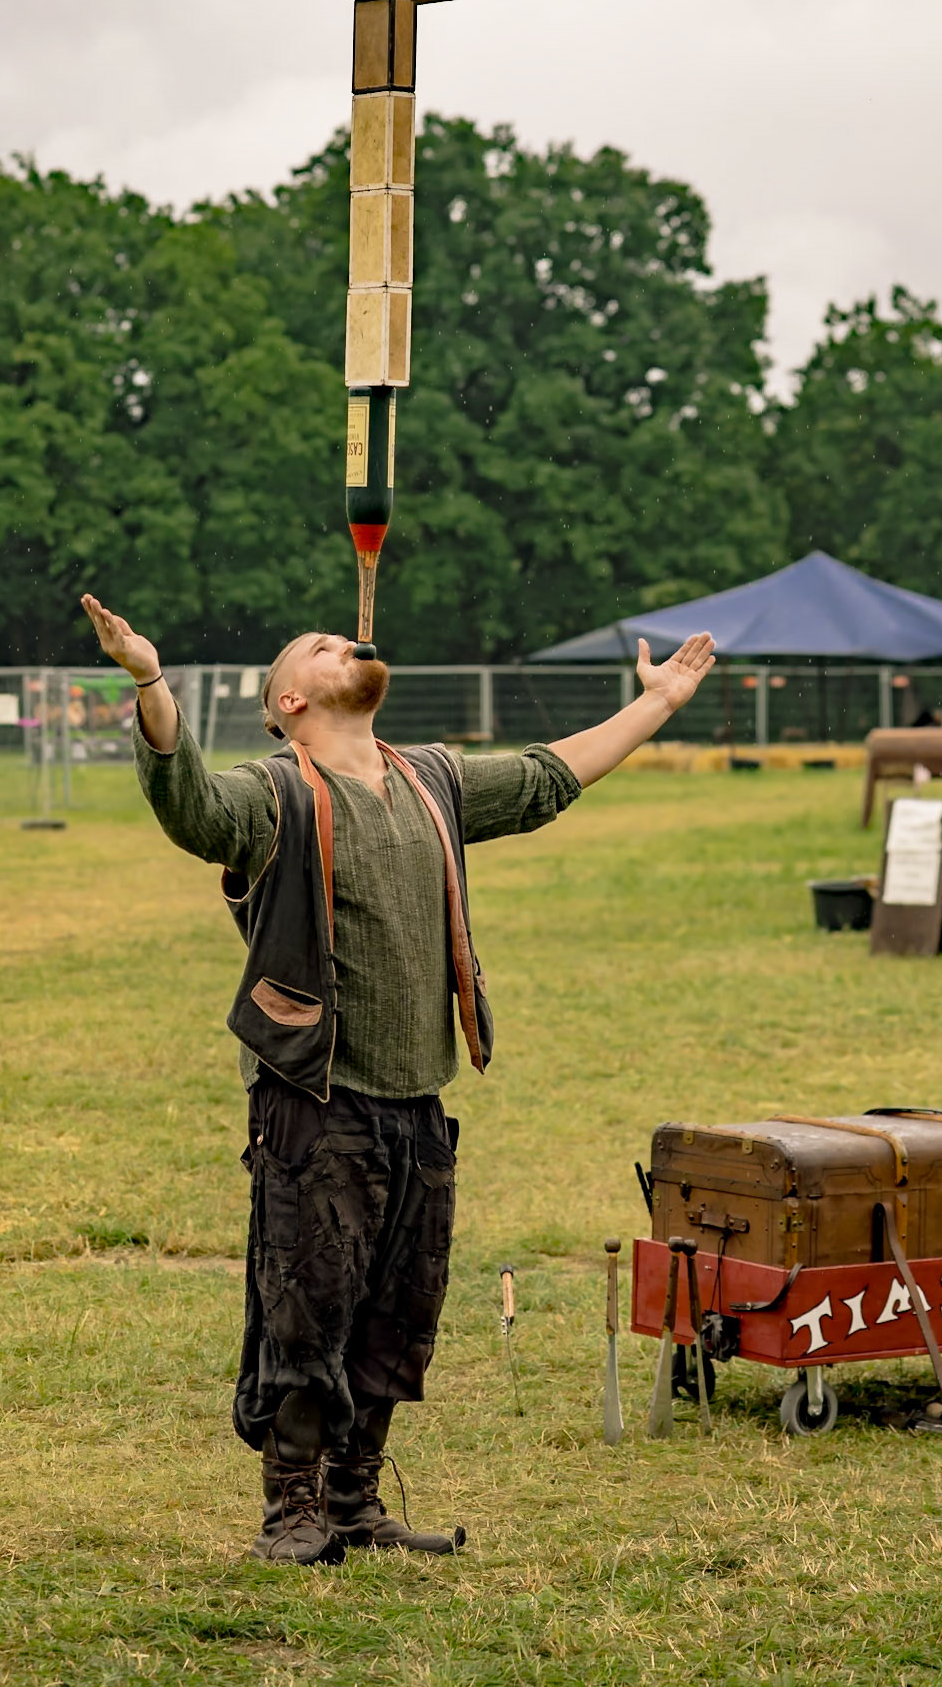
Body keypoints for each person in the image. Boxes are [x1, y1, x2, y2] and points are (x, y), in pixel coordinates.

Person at [80, 596, 714, 1565]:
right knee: (307, 1307)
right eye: (321, 647)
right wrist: (149, 679)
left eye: (347, 638)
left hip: (420, 1099)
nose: (344, 645)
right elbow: (191, 808)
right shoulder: (274, 794)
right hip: (315, 1098)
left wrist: (661, 700)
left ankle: (353, 1504)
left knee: (397, 1313)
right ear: (290, 699)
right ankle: (291, 1509)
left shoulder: (433, 780)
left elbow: (550, 777)